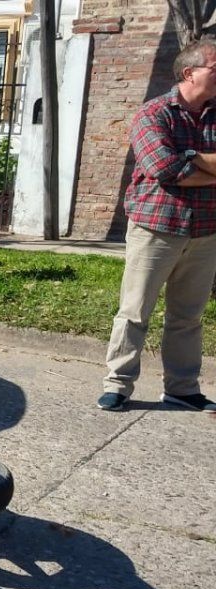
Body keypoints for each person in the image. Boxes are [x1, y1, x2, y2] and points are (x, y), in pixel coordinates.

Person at [98, 38, 216, 413]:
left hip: (206, 231)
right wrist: (203, 166)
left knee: (188, 316)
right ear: (190, 73)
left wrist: (192, 158)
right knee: (134, 311)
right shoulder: (154, 114)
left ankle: (181, 388)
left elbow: (182, 167)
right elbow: (165, 168)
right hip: (156, 227)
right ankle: (117, 384)